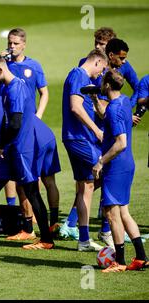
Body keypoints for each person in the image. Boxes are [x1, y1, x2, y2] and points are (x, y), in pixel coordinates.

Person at [0, 54, 55, 250]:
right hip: (11, 148)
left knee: (32, 192)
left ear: (0, 69)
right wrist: (1, 144)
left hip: (22, 148)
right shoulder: (7, 87)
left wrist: (0, 145)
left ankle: (47, 239)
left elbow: (15, 124)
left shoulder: (15, 89)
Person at [1, 28, 60, 232]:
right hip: (13, 126)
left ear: (24, 44)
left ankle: (52, 223)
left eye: (16, 43)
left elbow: (44, 92)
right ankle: (25, 223)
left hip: (30, 127)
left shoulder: (33, 66)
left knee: (40, 176)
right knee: (18, 177)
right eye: (10, 42)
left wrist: (38, 116)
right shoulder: (4, 66)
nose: (12, 46)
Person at [92, 69, 148, 272]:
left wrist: (100, 162)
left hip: (116, 166)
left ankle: (120, 261)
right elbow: (105, 115)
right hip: (127, 164)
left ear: (107, 85)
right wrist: (93, 98)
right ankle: (141, 257)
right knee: (124, 212)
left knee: (112, 214)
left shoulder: (115, 108)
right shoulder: (123, 101)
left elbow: (120, 143)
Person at [62, 49, 108, 252]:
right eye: (102, 69)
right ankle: (109, 229)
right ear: (97, 62)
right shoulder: (79, 75)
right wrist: (97, 130)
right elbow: (75, 107)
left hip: (78, 138)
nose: (101, 74)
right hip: (79, 139)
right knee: (110, 172)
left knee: (86, 187)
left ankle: (83, 239)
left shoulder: (79, 76)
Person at [78, 28, 139, 109]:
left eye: (101, 44)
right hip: (92, 115)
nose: (97, 46)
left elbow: (138, 88)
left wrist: (128, 108)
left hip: (111, 115)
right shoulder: (86, 63)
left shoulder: (123, 65)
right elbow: (80, 90)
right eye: (96, 42)